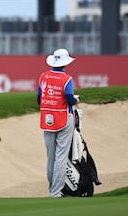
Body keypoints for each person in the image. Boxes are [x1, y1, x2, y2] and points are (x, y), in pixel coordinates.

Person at [37, 48, 79, 197]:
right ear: (65, 63)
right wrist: (76, 100)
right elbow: (69, 98)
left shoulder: (43, 76)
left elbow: (38, 99)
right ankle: (55, 192)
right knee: (60, 157)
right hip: (63, 119)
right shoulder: (67, 79)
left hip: (47, 119)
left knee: (51, 157)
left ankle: (52, 190)